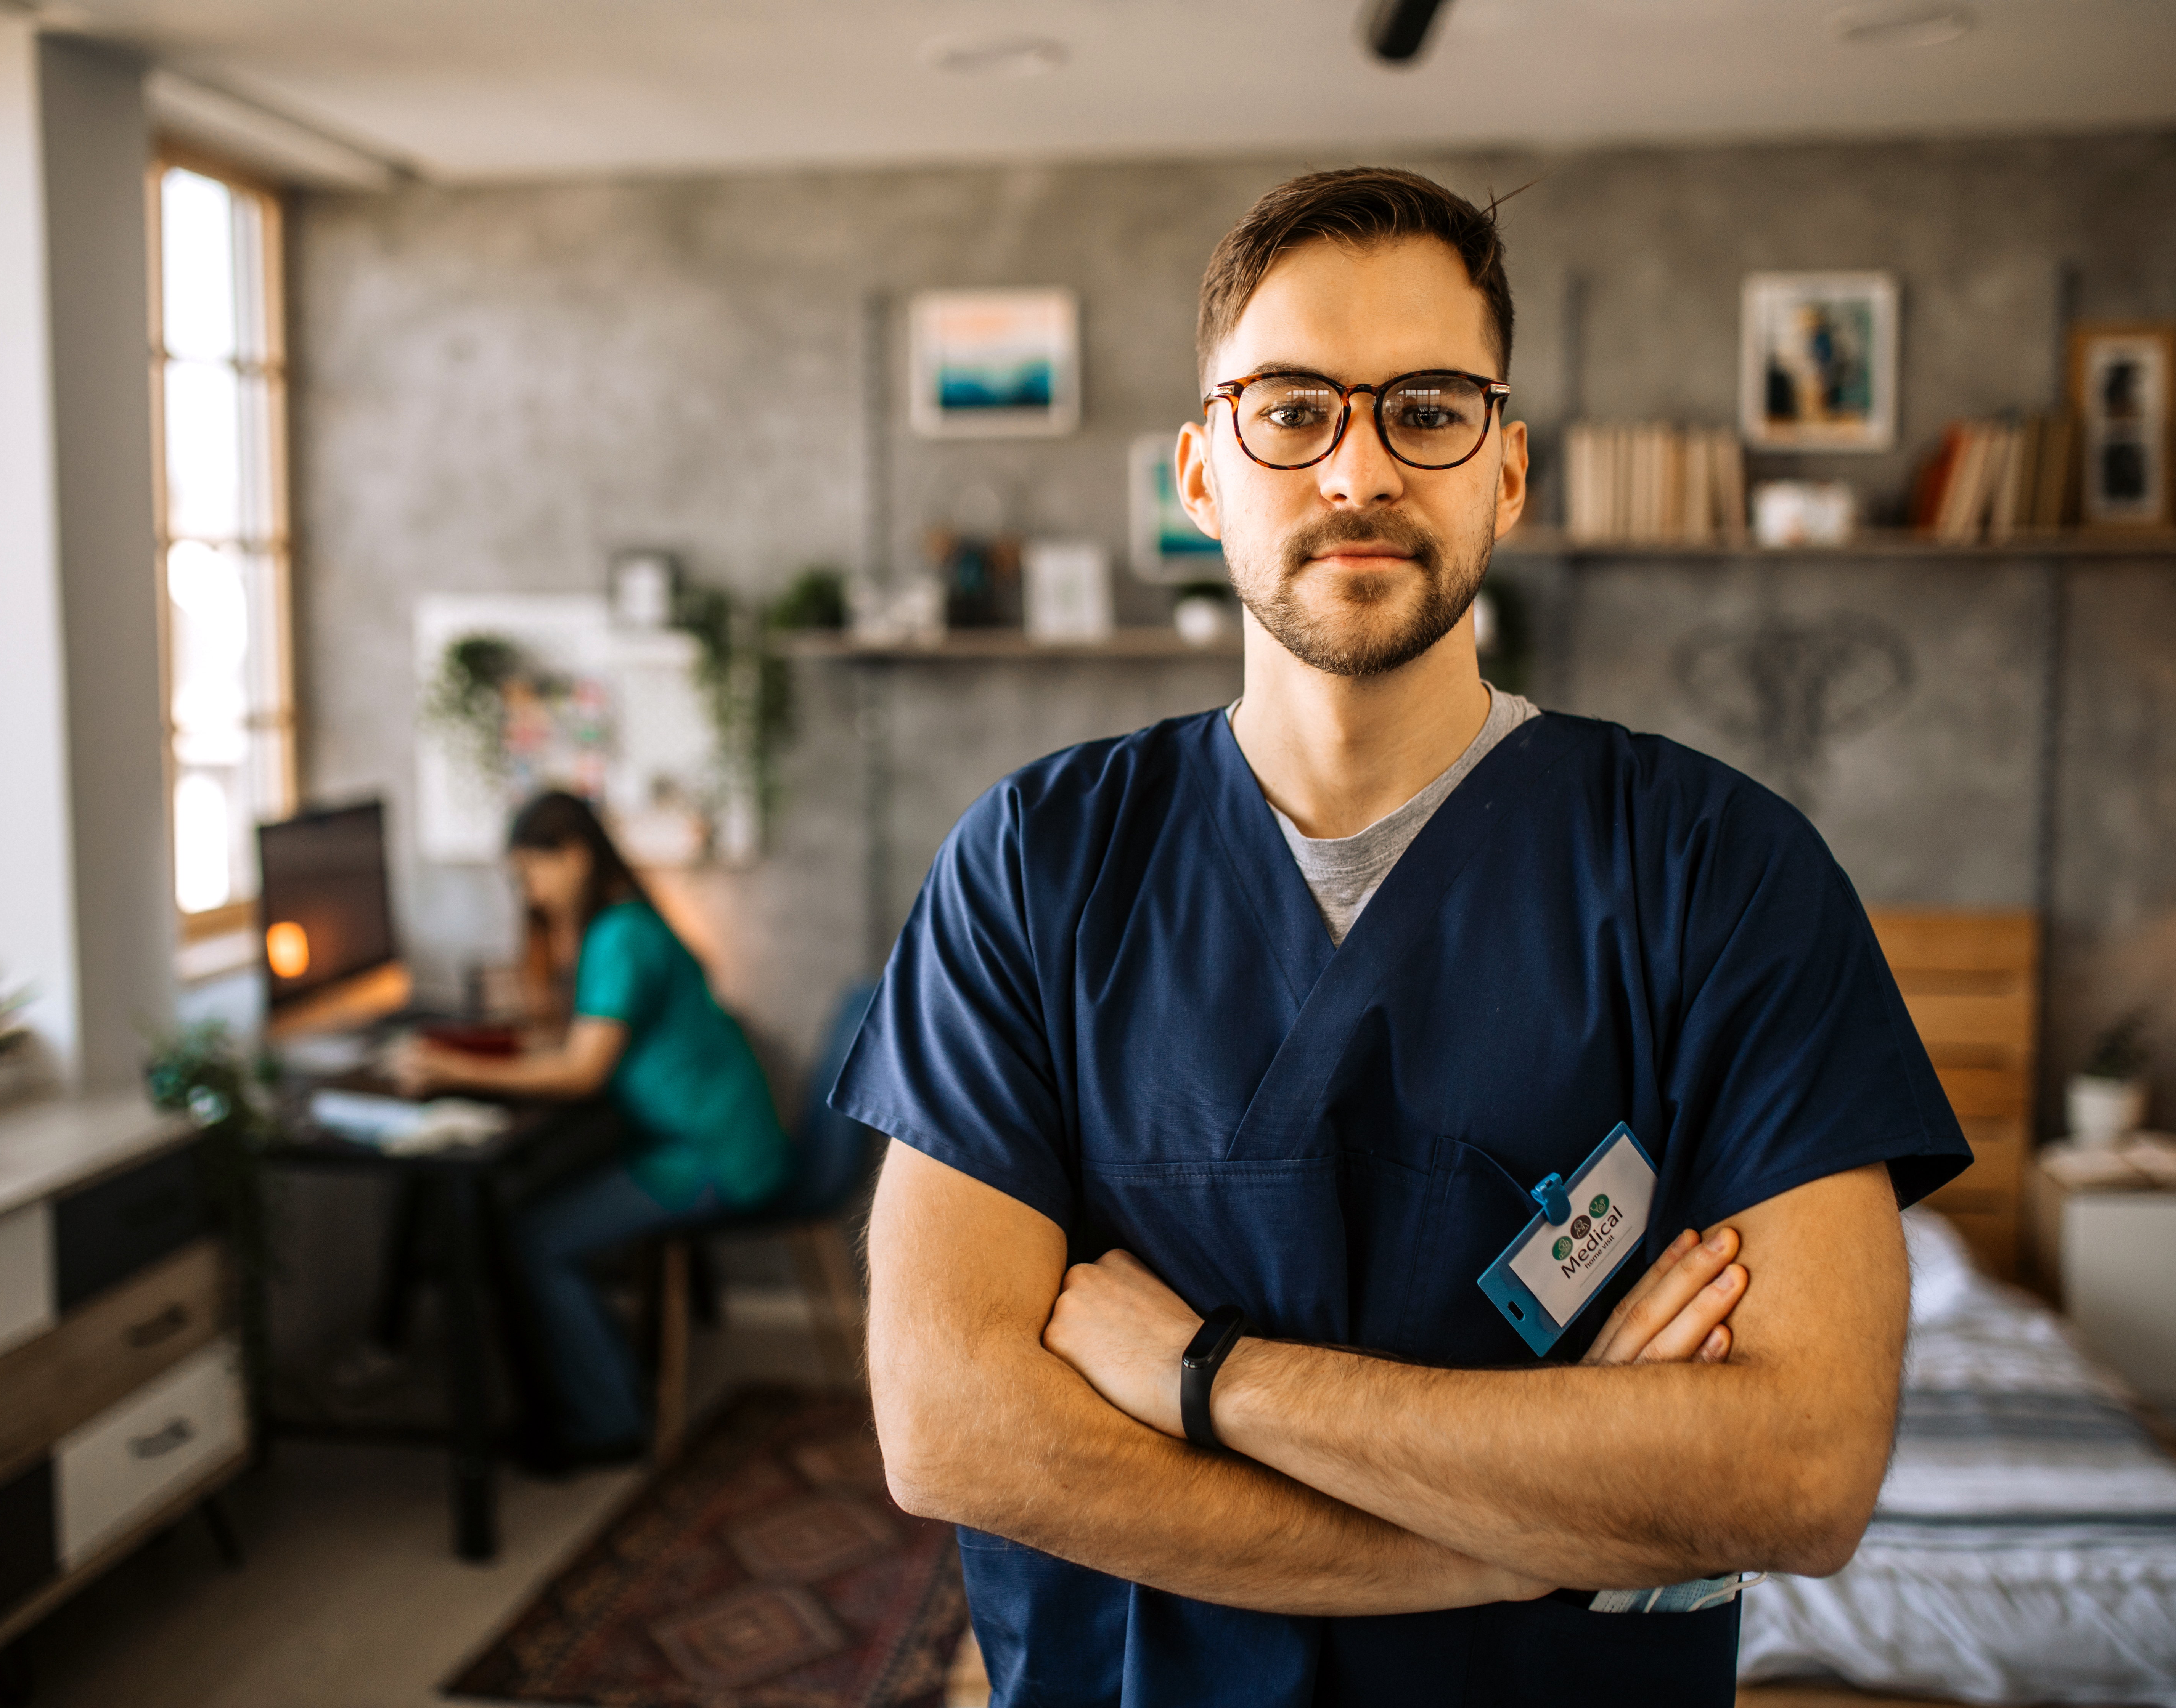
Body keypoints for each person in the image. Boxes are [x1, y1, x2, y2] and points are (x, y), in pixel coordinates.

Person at [839, 167, 1970, 1706]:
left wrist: (1206, 1378)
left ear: (1505, 472)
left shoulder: (1721, 873)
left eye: (1427, 408)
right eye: (1292, 409)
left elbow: (1802, 1466)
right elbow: (953, 1427)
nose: (1358, 468)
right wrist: (1541, 1537)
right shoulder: (1033, 869)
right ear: (1199, 475)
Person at [394, 790, 790, 1463]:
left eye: (532, 874)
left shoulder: (620, 938)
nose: (531, 895)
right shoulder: (631, 923)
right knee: (539, 1209)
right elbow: (587, 1047)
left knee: (535, 1235)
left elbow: (582, 1072)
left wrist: (455, 1071)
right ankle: (603, 1386)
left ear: (574, 857)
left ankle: (607, 1418)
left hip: (708, 1157)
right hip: (715, 1139)